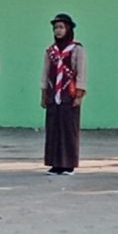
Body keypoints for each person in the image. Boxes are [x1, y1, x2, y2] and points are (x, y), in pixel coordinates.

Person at [40, 13, 85, 176]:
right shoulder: (50, 51)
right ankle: (55, 163)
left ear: (68, 29)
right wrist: (43, 92)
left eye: (61, 27)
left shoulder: (76, 49)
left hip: (69, 93)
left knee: (68, 129)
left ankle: (68, 164)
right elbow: (45, 72)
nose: (58, 31)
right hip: (53, 93)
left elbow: (81, 72)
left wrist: (79, 95)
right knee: (53, 128)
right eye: (55, 28)